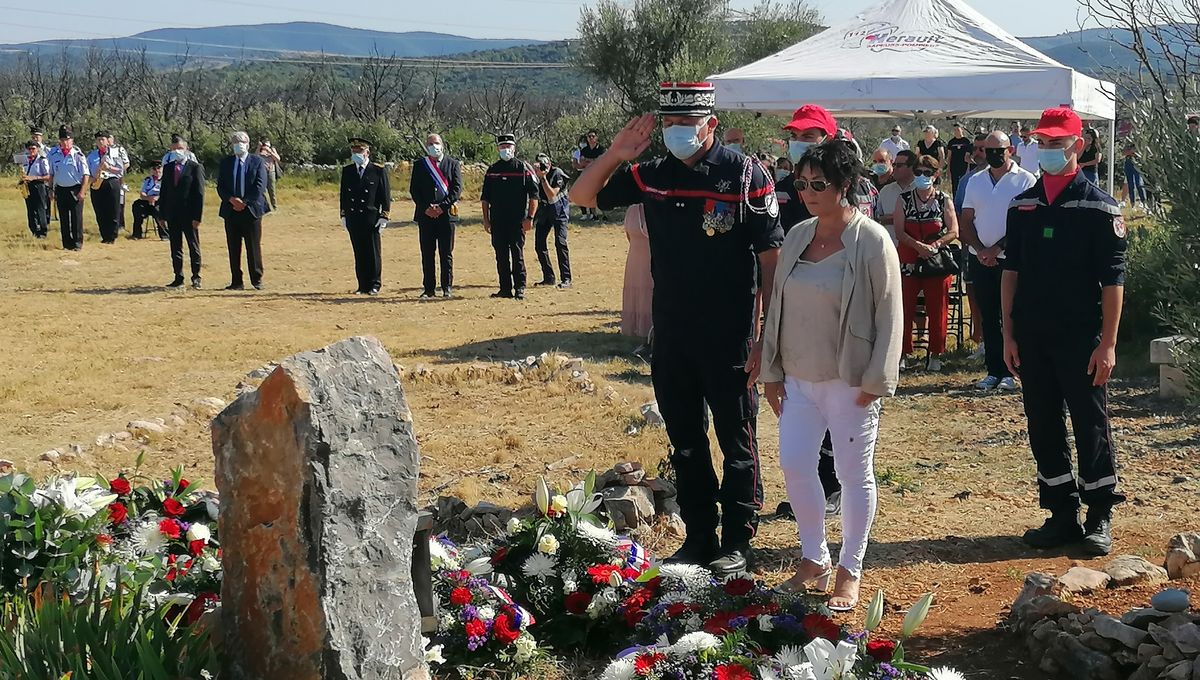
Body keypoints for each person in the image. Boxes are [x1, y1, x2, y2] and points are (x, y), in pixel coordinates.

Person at [570, 82, 783, 576]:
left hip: (730, 333)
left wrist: (766, 335)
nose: (677, 133)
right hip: (672, 333)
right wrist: (617, 153)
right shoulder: (651, 175)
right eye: (670, 124)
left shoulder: (744, 174)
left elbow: (770, 259)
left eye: (687, 124)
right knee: (685, 441)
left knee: (737, 440)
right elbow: (583, 195)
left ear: (710, 123)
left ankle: (737, 539)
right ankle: (698, 536)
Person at [761, 140, 903, 610]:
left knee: (852, 474)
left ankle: (850, 569)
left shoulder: (872, 240)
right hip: (798, 379)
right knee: (796, 465)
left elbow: (890, 314)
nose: (807, 192)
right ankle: (813, 559)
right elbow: (776, 305)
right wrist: (772, 371)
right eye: (801, 183)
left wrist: (876, 380)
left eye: (818, 184)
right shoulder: (798, 234)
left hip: (851, 382)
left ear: (845, 185)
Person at [1002, 106, 1127, 556]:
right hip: (1032, 335)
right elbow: (1010, 272)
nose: (1048, 149)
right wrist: (1008, 335)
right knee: (1042, 423)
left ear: (1079, 145)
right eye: (1042, 142)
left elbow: (1113, 281)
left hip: (1081, 337)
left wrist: (1108, 344)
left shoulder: (1099, 207)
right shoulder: (1024, 205)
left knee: (1090, 423)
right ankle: (1060, 511)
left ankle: (1099, 513)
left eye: (1057, 142)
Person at [961, 131, 1036, 390]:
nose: (992, 155)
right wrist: (981, 249)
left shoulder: (1026, 180)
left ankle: (1013, 371)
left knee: (1013, 315)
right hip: (980, 259)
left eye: (998, 150)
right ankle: (994, 370)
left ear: (1010, 151)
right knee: (989, 316)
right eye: (986, 150)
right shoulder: (975, 181)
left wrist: (997, 249)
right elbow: (966, 219)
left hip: (1011, 260)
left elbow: (1028, 223)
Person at [894, 156, 959, 372]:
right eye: (919, 172)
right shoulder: (903, 199)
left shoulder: (944, 199)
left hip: (936, 261)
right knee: (903, 307)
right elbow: (899, 231)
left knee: (938, 307)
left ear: (936, 174)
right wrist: (917, 246)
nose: (923, 176)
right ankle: (902, 351)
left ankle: (936, 353)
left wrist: (936, 244)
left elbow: (954, 230)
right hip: (908, 259)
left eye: (928, 173)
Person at [778, 105, 878, 233]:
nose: (798, 142)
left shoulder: (854, 185)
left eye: (807, 136)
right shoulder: (782, 187)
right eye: (794, 136)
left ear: (828, 139)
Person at [481, 134, 538, 300]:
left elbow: (534, 196)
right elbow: (485, 198)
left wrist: (530, 218)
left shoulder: (523, 169)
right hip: (498, 221)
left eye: (509, 146)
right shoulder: (492, 170)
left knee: (517, 254)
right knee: (501, 255)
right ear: (498, 148)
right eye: (502, 146)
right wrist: (486, 219)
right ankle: (504, 289)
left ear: (514, 148)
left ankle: (520, 287)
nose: (506, 149)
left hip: (517, 221)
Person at [410, 133, 463, 299]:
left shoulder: (453, 164)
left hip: (446, 215)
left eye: (437, 143)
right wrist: (426, 207)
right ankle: (429, 289)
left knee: (446, 253)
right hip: (425, 215)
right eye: (431, 144)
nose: (434, 146)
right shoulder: (420, 165)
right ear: (427, 146)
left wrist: (442, 207)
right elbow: (414, 190)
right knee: (427, 252)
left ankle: (447, 287)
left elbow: (457, 189)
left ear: (443, 145)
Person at [217, 131, 270, 290]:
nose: (238, 144)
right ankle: (236, 281)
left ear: (248, 144)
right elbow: (221, 186)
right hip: (231, 210)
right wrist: (231, 200)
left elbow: (260, 185)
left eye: (242, 141)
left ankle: (257, 279)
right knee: (233, 247)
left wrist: (244, 202)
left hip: (251, 210)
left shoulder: (257, 162)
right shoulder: (226, 163)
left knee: (253, 247)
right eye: (235, 142)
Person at [339, 137, 391, 295]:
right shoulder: (348, 171)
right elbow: (344, 195)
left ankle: (374, 283)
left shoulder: (377, 170)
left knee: (373, 252)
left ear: (367, 152)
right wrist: (343, 214)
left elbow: (385, 196)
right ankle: (362, 284)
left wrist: (384, 216)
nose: (356, 154)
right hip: (354, 217)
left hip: (371, 217)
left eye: (359, 151)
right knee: (359, 252)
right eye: (354, 151)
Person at [955, 134, 990, 353]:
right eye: (975, 149)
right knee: (975, 291)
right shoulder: (966, 180)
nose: (977, 153)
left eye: (982, 149)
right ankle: (980, 338)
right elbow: (959, 214)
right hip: (972, 246)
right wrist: (971, 243)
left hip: (1000, 248)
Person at [158, 135, 206, 289]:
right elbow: (164, 192)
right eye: (174, 150)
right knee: (175, 246)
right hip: (173, 214)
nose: (177, 152)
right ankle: (178, 277)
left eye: (180, 149)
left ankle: (196, 276)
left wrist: (197, 217)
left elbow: (199, 194)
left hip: (189, 214)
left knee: (193, 246)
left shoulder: (195, 167)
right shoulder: (168, 167)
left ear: (186, 149)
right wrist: (162, 214)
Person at [532, 152, 572, 289]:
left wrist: (543, 178)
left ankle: (566, 279)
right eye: (539, 165)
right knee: (539, 244)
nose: (543, 168)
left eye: (544, 165)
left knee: (560, 243)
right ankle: (549, 277)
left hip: (559, 211)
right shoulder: (535, 175)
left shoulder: (557, 173)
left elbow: (551, 195)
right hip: (544, 212)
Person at [47, 126, 89, 251]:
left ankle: (77, 243)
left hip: (75, 188)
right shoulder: (54, 155)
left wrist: (82, 191)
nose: (65, 142)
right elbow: (52, 174)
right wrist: (50, 189)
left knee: (76, 218)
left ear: (72, 141)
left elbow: (86, 175)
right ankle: (67, 243)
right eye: (63, 140)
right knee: (63, 218)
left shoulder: (78, 155)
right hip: (61, 188)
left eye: (68, 140)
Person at [621, 203, 653, 341]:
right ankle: (635, 326)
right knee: (636, 291)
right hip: (635, 260)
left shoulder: (660, 209)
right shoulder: (632, 210)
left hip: (653, 259)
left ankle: (650, 327)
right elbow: (628, 235)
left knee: (650, 291)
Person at [86, 130, 124, 244]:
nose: (100, 142)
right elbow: (87, 170)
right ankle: (104, 235)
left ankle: (112, 236)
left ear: (108, 141)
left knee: (113, 209)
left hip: (111, 181)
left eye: (102, 139)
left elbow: (121, 169)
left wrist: (109, 168)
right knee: (100, 210)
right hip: (97, 182)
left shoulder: (115, 153)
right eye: (98, 140)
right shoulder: (92, 155)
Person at [875, 149, 917, 245]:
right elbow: (877, 218)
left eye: (899, 166)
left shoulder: (921, 190)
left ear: (912, 167)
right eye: (894, 165)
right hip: (889, 248)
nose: (895, 168)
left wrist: (899, 218)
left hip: (916, 249)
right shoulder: (885, 191)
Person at [572, 130, 606, 221]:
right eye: (589, 136)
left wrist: (590, 161)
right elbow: (582, 162)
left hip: (599, 174)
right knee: (589, 193)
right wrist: (593, 161)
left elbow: (602, 161)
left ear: (596, 138)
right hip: (587, 174)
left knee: (600, 193)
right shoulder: (584, 150)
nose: (591, 138)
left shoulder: (601, 149)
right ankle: (593, 215)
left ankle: (603, 214)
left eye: (593, 136)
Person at [20, 139, 51, 239]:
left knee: (40, 208)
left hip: (39, 185)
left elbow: (48, 176)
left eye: (33, 148)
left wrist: (34, 178)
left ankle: (43, 231)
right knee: (30, 209)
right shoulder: (25, 161)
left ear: (37, 149)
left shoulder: (42, 159)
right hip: (28, 186)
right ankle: (34, 230)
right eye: (29, 149)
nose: (31, 151)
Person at [131, 162, 165, 240]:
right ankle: (137, 234)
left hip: (160, 201)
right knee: (137, 206)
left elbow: (167, 193)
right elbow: (142, 193)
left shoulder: (166, 179)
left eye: (159, 168)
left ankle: (164, 235)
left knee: (158, 210)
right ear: (151, 170)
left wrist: (156, 198)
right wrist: (148, 198)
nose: (157, 170)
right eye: (154, 169)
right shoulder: (148, 180)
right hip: (148, 200)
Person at [946, 123, 974, 196]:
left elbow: (968, 156)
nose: (956, 131)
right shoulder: (951, 142)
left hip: (964, 167)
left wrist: (968, 169)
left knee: (963, 185)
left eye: (958, 130)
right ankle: (955, 201)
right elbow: (949, 157)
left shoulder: (967, 141)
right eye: (954, 130)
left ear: (962, 130)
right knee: (955, 186)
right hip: (954, 167)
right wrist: (948, 169)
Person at [1122, 143, 1147, 209]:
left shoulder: (1140, 141)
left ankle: (1144, 203)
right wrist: (1131, 152)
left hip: (1137, 162)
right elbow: (1124, 153)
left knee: (1139, 184)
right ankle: (1133, 205)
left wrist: (1134, 152)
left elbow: (1142, 152)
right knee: (1130, 184)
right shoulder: (1128, 143)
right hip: (1128, 162)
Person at [259, 140, 281, 211]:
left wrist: (270, 152)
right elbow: (255, 157)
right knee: (262, 191)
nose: (266, 147)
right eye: (265, 145)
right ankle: (265, 207)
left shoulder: (272, 150)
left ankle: (274, 207)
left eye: (267, 145)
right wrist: (259, 148)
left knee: (272, 190)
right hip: (262, 173)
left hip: (271, 172)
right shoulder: (259, 150)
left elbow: (278, 159)